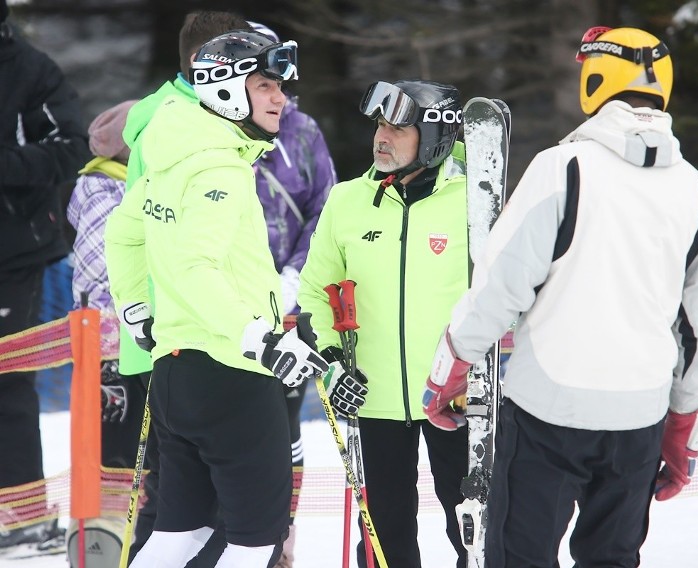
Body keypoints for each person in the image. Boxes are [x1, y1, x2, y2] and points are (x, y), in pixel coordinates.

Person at [422, 26, 698, 567]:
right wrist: (685, 424)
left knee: (521, 557)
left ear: (595, 79)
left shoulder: (562, 170)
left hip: (548, 416)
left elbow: (500, 287)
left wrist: (451, 366)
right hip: (640, 415)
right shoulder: (696, 190)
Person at [104, 30, 328, 568]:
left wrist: (137, 309)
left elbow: (123, 231)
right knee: (255, 542)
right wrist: (260, 338)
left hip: (177, 374)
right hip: (233, 376)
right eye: (266, 86)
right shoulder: (219, 168)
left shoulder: (178, 151)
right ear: (227, 89)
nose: (280, 98)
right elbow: (193, 267)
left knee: (177, 534)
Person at [297, 79, 470, 568]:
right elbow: (314, 291)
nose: (382, 137)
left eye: (398, 127)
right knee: (383, 536)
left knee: (473, 524)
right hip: (372, 395)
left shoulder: (476, 199)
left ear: (433, 136)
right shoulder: (347, 201)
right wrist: (331, 361)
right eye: (379, 124)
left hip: (456, 395)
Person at [118, 11, 249, 565]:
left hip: (183, 324)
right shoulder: (180, 120)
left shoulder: (179, 115)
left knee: (188, 504)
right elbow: (155, 227)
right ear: (206, 65)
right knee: (188, 509)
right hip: (183, 328)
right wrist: (148, 313)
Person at [247, 20, 338, 568]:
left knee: (284, 427)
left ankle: (282, 537)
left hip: (289, 306)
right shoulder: (213, 133)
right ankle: (238, 535)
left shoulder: (302, 132)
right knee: (240, 425)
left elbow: (325, 208)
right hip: (230, 307)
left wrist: (293, 280)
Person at [0, 0, 89, 551]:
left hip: (13, 255)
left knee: (6, 382)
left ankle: (26, 518)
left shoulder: (30, 68)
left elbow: (71, 149)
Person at [65, 99, 139, 563]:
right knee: (113, 454)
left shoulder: (121, 188)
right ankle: (104, 542)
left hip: (129, 346)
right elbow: (104, 271)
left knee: (134, 452)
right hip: (109, 349)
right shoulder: (102, 192)